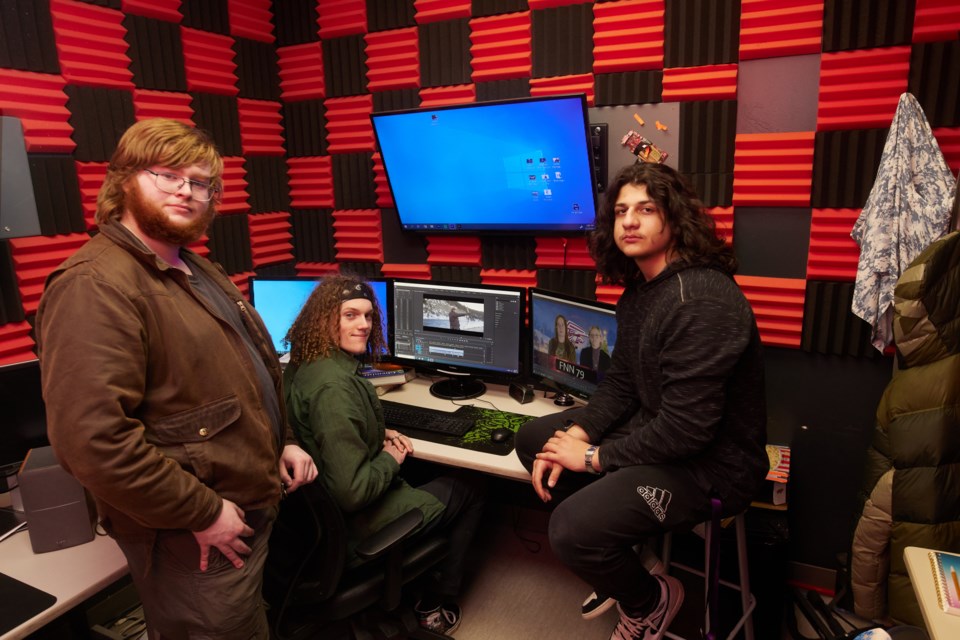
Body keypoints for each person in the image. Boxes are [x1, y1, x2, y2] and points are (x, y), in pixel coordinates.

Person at [35, 118, 318, 639]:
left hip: (243, 501)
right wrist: (205, 512)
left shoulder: (195, 267)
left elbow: (238, 379)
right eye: (168, 175)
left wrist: (283, 440)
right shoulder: (95, 285)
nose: (188, 192)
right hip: (193, 530)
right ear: (124, 180)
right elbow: (91, 441)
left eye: (201, 182)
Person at [516, 162, 767, 640]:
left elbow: (688, 430)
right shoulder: (641, 294)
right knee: (535, 439)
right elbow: (623, 385)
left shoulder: (701, 301)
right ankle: (635, 562)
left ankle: (649, 601)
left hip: (711, 464)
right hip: (661, 430)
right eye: (622, 211)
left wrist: (591, 457)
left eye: (646, 209)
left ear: (674, 219)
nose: (630, 221)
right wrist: (580, 433)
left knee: (571, 530)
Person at [282, 275, 486, 636]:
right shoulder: (334, 388)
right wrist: (390, 458)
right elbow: (351, 492)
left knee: (428, 473)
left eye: (368, 316)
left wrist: (379, 431)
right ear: (324, 319)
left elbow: (332, 432)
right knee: (471, 487)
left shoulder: (306, 365)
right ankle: (436, 604)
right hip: (354, 527)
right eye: (350, 316)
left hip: (312, 532)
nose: (363, 325)